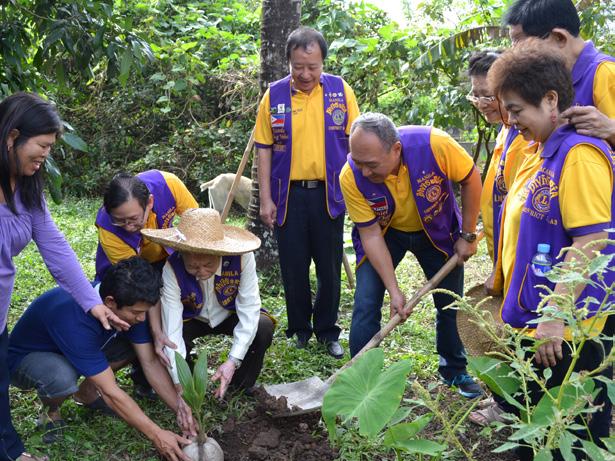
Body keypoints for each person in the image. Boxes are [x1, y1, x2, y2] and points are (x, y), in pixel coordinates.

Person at [488, 48, 614, 461]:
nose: (511, 121)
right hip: (546, 312)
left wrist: (553, 316)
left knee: (567, 422)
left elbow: (592, 238)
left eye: (517, 110)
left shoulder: (578, 155)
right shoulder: (546, 149)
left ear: (551, 100)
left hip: (572, 321)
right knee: (540, 415)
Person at [0, 92, 127, 461]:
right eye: (41, 145)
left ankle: (6, 453)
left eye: (50, 147)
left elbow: (56, 249)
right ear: (12, 137)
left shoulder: (25, 189)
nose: (45, 155)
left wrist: (92, 302)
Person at [339, 112, 484, 399]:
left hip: (436, 230)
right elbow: (370, 234)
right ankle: (360, 379)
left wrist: (467, 235)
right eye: (359, 163)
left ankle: (454, 370)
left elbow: (471, 178)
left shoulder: (434, 145)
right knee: (366, 300)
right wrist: (394, 291)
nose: (365, 173)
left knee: (449, 303)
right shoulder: (350, 175)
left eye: (371, 165)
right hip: (385, 233)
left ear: (395, 149)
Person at [8, 257, 195, 461]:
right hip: (28, 359)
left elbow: (150, 362)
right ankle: (51, 411)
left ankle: (86, 392)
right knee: (62, 376)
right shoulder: (73, 318)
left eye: (145, 311)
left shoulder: (131, 304)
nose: (142, 319)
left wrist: (181, 408)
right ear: (110, 302)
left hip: (80, 349)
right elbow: (111, 393)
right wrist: (157, 435)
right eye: (136, 313)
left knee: (138, 346)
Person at [254, 26, 360, 358]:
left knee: (329, 267)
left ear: (323, 63)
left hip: (330, 195)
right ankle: (299, 329)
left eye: (312, 67)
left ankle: (328, 331)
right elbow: (264, 149)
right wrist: (267, 198)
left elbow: (357, 143)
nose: (305, 74)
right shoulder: (274, 95)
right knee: (293, 266)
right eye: (298, 66)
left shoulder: (341, 92)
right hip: (288, 197)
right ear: (288, 62)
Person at [141, 208, 274, 399]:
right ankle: (190, 384)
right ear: (182, 254)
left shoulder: (243, 258)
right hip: (192, 317)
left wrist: (232, 361)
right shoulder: (172, 267)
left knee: (263, 326)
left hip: (229, 314)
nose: (201, 271)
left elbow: (249, 307)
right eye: (193, 266)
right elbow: (172, 328)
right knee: (167, 337)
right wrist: (179, 382)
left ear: (220, 252)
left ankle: (240, 385)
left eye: (208, 265)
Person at [95, 171, 199, 398]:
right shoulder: (109, 230)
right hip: (127, 274)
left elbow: (197, 224)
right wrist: (155, 330)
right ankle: (142, 377)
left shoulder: (169, 185)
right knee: (138, 320)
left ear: (149, 202)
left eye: (133, 219)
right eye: (119, 220)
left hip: (165, 257)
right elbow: (139, 285)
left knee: (182, 307)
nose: (128, 226)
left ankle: (181, 361)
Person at [466, 51, 528, 425]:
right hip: (499, 250)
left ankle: (510, 407)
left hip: (517, 256)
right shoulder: (507, 131)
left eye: (487, 96)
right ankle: (507, 402)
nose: (482, 104)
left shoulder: (525, 137)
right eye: (475, 95)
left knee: (516, 332)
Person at [504, 0, 614, 146]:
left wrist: (611, 130)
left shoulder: (605, 73)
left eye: (521, 45)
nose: (515, 53)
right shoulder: (553, 77)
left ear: (559, 37)